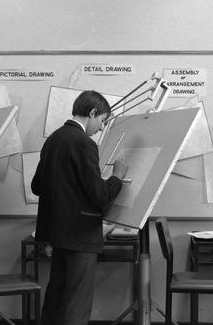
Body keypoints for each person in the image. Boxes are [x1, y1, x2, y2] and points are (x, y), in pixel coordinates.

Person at [32, 90, 128, 325]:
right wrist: (116, 177)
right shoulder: (85, 143)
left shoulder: (53, 139)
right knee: (78, 304)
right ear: (93, 113)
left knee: (56, 298)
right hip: (81, 236)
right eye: (102, 121)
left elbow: (36, 186)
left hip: (56, 234)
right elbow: (100, 195)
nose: (101, 128)